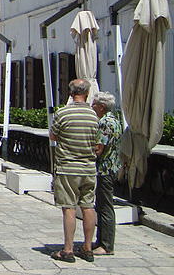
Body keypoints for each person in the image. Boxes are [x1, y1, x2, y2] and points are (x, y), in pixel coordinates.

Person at [48, 79, 99, 263]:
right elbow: (97, 141)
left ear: (70, 94)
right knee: (88, 206)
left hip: (68, 166)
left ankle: (68, 249)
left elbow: (53, 135)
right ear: (87, 93)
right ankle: (87, 246)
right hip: (89, 168)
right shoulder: (94, 115)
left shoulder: (63, 113)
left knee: (69, 208)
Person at [91, 91, 121, 256]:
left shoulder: (104, 123)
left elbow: (99, 149)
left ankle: (107, 244)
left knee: (104, 207)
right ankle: (101, 240)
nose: (92, 106)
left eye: (94, 104)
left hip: (105, 169)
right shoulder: (115, 120)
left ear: (101, 107)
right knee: (103, 205)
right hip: (113, 167)